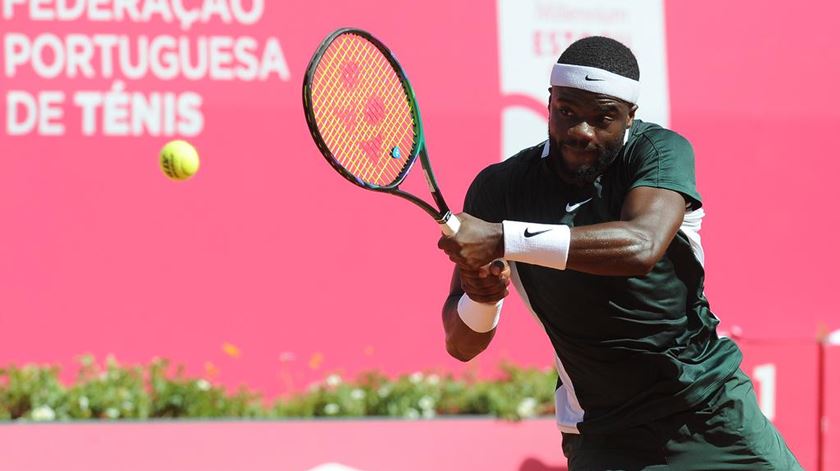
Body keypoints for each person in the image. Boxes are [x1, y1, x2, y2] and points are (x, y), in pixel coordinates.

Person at [437, 36, 801, 470]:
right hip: (601, 431)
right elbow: (461, 346)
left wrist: (505, 239)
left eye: (601, 118)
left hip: (705, 406)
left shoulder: (658, 153)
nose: (580, 131)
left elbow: (641, 245)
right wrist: (482, 298)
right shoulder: (501, 188)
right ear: (549, 101)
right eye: (566, 111)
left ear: (630, 116)